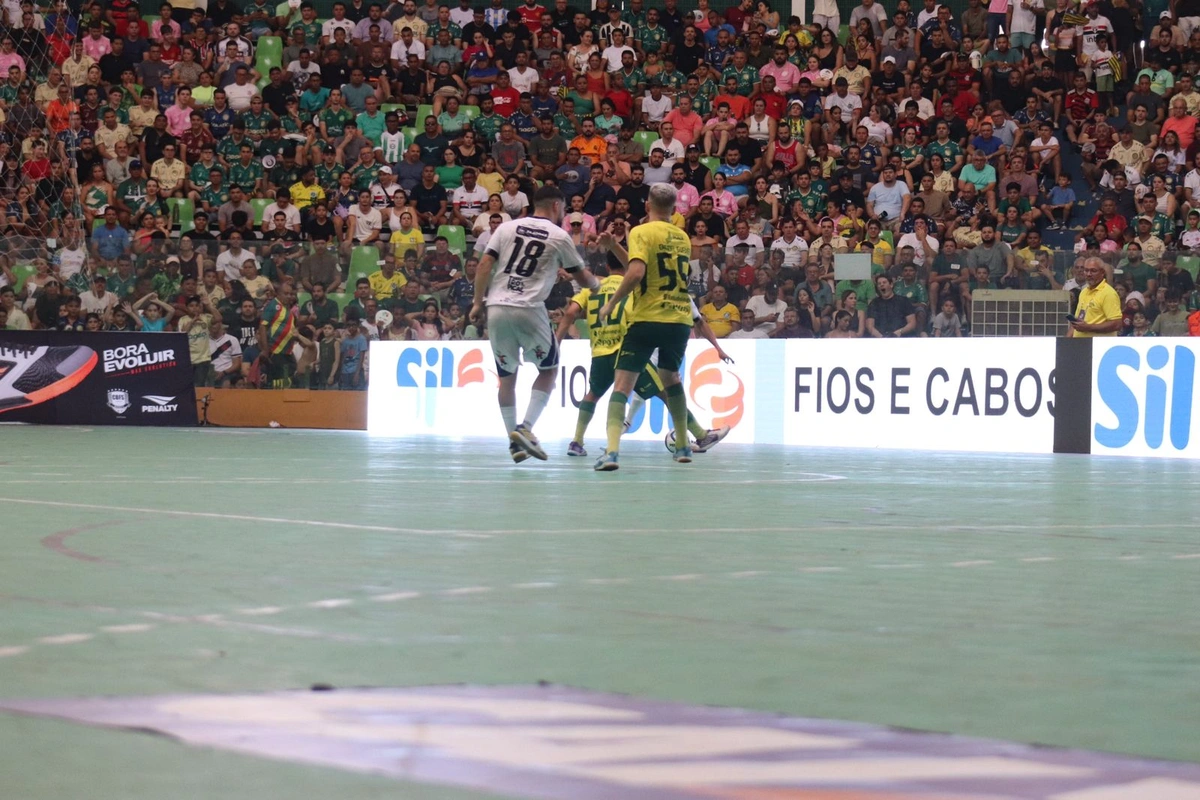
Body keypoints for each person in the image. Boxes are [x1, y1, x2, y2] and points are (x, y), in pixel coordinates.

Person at [556, 233, 728, 458]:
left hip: (599, 350)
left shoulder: (593, 287)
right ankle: (697, 435)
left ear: (607, 266)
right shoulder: (634, 287)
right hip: (625, 350)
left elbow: (570, 312)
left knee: (593, 395)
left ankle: (577, 442)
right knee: (667, 392)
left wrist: (557, 341)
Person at [469, 185, 601, 463]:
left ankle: (513, 444)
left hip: (496, 306)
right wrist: (596, 285)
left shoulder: (506, 228)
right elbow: (584, 277)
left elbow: (483, 265)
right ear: (556, 206)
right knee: (549, 370)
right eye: (563, 209)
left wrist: (478, 302)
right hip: (528, 308)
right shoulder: (559, 235)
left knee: (506, 377)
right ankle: (526, 428)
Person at [592, 183, 695, 470]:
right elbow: (645, 267)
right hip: (679, 319)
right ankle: (684, 445)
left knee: (622, 386)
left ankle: (611, 452)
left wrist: (611, 303)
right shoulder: (683, 237)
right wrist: (615, 246)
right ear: (674, 209)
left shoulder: (641, 231)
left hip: (648, 316)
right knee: (671, 379)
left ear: (647, 206)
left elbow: (637, 273)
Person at [1068, 256, 1122, 338]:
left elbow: (1117, 324)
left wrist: (1088, 328)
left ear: (1102, 272)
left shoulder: (1108, 293)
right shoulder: (1084, 291)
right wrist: (1066, 342)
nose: (1089, 274)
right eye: (1086, 270)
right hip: (1080, 344)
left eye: (1093, 271)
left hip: (1099, 346)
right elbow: (1077, 321)